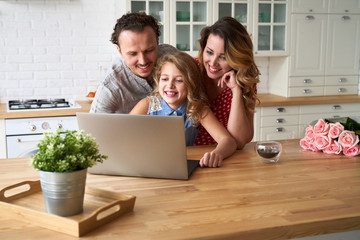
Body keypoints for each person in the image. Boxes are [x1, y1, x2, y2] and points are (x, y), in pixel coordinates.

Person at [130, 51, 237, 168]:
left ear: (191, 83)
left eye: (179, 80)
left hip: (181, 166)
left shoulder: (197, 109)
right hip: (148, 164)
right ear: (158, 79)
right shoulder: (148, 104)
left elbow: (228, 141)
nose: (170, 85)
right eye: (165, 79)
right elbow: (124, 133)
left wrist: (217, 154)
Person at [90, 12, 177, 114]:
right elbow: (93, 128)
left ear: (157, 42)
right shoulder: (110, 86)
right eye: (133, 54)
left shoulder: (172, 57)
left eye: (149, 51)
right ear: (120, 51)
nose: (143, 61)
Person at [194, 16, 260, 149]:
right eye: (209, 52)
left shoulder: (245, 82)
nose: (213, 63)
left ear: (236, 58)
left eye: (223, 57)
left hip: (226, 155)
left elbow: (240, 141)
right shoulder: (191, 71)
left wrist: (236, 90)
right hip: (191, 153)